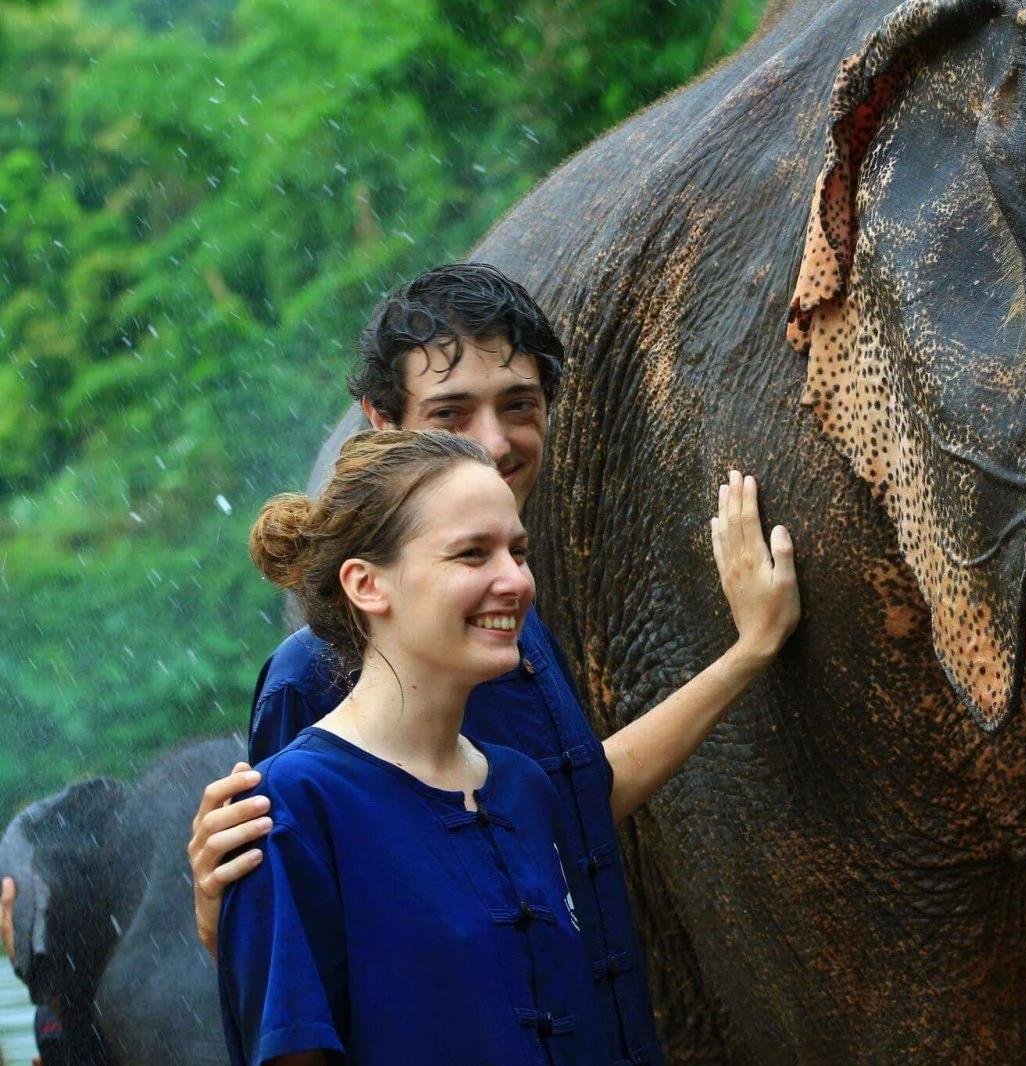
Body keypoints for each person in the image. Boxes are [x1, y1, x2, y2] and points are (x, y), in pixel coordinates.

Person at [0, 263, 795, 1064]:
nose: (491, 443)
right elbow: (293, 945)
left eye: (518, 405)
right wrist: (224, 911)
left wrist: (748, 651)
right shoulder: (313, 685)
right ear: (381, 425)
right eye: (451, 415)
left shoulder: (508, 646)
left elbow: (575, 804)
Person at [222, 427, 793, 1064]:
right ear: (366, 584)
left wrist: (753, 648)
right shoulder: (291, 805)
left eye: (518, 552)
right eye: (472, 554)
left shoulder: (522, 789)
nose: (515, 582)